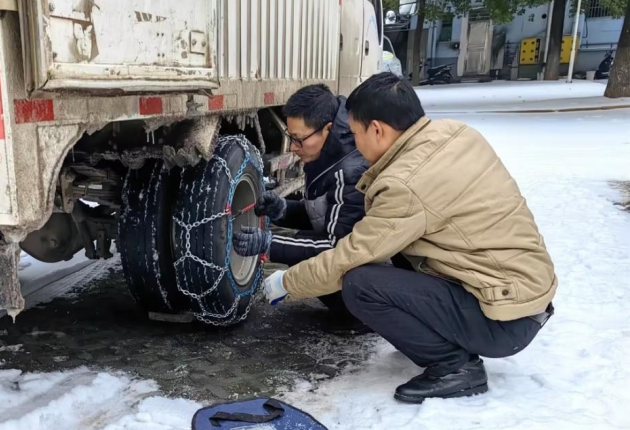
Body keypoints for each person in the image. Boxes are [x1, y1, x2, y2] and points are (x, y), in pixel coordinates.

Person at [262, 72, 557, 403]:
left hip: (504, 320)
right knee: (393, 256)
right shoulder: (456, 134)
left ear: (377, 129)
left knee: (360, 283)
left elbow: (348, 256)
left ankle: (455, 367)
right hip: (523, 297)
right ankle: (438, 339)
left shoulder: (406, 183)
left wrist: (287, 283)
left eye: (356, 133)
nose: (355, 143)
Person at [231, 84, 370, 333]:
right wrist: (283, 209)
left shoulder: (351, 172)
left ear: (327, 130)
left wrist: (269, 245)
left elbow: (338, 249)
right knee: (300, 244)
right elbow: (326, 216)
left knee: (299, 250)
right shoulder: (328, 156)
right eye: (290, 136)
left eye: (299, 139)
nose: (293, 147)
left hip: (368, 274)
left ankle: (361, 316)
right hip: (352, 255)